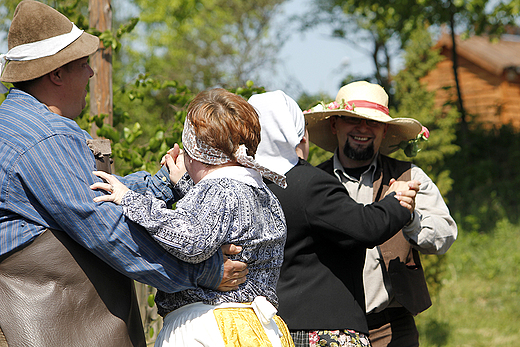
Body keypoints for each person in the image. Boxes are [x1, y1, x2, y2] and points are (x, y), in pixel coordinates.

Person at [0, 2, 246, 347]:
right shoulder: (43, 139)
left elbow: (89, 193)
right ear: (55, 74)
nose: (90, 73)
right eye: (83, 64)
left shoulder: (20, 126)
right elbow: (107, 230)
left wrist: (161, 185)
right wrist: (204, 272)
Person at [90, 88, 294, 347]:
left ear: (196, 155)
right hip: (256, 329)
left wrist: (129, 198)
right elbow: (221, 221)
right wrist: (186, 184)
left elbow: (192, 240)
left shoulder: (219, 190)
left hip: (212, 327)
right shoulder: (261, 193)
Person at [249, 90, 420, 347]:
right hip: (324, 330)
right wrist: (396, 202)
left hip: (270, 328)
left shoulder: (243, 185)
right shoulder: (308, 184)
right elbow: (365, 227)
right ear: (299, 133)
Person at [304, 81, 458, 347]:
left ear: (385, 130)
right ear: (335, 125)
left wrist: (409, 217)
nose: (363, 129)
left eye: (373, 122)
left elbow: (445, 235)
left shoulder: (410, 177)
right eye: (353, 120)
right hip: (328, 325)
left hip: (392, 325)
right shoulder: (313, 182)